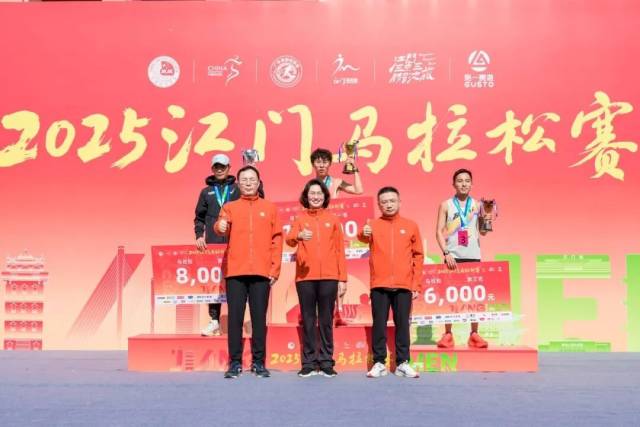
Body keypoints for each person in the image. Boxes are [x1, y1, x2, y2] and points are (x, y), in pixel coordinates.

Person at [214, 166, 283, 378]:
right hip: (236, 271)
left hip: (261, 272)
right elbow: (220, 226)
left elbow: (277, 239)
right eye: (244, 179)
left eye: (252, 179)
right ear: (238, 183)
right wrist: (220, 226)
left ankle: (259, 363)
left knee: (258, 319)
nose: (248, 183)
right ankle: (234, 363)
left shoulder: (269, 208)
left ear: (259, 182)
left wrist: (275, 269)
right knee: (235, 319)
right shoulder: (230, 207)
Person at [358, 187, 423, 378]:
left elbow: (418, 256)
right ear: (379, 205)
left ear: (399, 202)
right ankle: (379, 363)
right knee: (379, 324)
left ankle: (402, 363)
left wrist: (416, 284)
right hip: (379, 284)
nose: (388, 204)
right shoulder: (372, 225)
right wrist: (363, 232)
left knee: (402, 324)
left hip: (404, 284)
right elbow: (361, 238)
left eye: (392, 201)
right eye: (384, 202)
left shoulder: (411, 225)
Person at [285, 179, 347, 378]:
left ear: (325, 196)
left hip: (329, 276)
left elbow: (340, 250)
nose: (316, 197)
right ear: (306, 196)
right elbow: (289, 239)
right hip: (305, 277)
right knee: (309, 320)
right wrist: (299, 235)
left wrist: (342, 278)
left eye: (319, 193)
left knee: (326, 320)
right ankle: (309, 362)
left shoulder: (333, 220)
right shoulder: (299, 219)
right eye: (312, 193)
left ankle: (327, 361)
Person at [435, 168, 494, 349]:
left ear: (472, 184)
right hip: (452, 258)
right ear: (453, 184)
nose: (463, 184)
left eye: (467, 181)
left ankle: (474, 334)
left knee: (474, 298)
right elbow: (439, 232)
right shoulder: (446, 205)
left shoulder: (477, 205)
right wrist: (446, 253)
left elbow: (483, 232)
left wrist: (488, 217)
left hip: (473, 257)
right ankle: (448, 334)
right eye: (460, 181)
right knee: (450, 297)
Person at [310, 148, 364, 326]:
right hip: (317, 233)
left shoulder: (336, 182)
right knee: (317, 273)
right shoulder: (310, 186)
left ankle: (338, 311)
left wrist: (354, 168)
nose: (321, 165)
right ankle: (314, 312)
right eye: (318, 162)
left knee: (338, 272)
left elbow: (358, 190)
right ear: (313, 164)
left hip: (334, 231)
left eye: (325, 161)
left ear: (330, 164)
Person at [194, 154, 239, 337]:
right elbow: (199, 217)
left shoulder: (237, 189)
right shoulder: (206, 192)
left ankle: (236, 321)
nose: (219, 170)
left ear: (229, 168)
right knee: (214, 283)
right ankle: (214, 321)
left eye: (223, 166)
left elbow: (258, 197)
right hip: (213, 244)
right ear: (212, 169)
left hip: (235, 242)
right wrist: (199, 235)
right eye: (216, 167)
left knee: (235, 282)